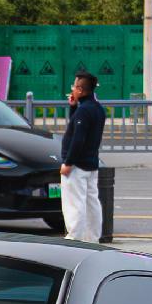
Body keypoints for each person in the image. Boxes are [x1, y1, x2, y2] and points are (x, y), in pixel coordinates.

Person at [59, 68, 106, 244]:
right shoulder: (97, 109)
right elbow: (79, 127)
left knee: (74, 203)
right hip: (91, 164)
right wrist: (73, 107)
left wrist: (68, 163)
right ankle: (92, 238)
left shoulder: (84, 111)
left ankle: (74, 238)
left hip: (77, 166)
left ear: (80, 89)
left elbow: (78, 139)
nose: (72, 89)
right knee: (91, 201)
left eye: (74, 86)